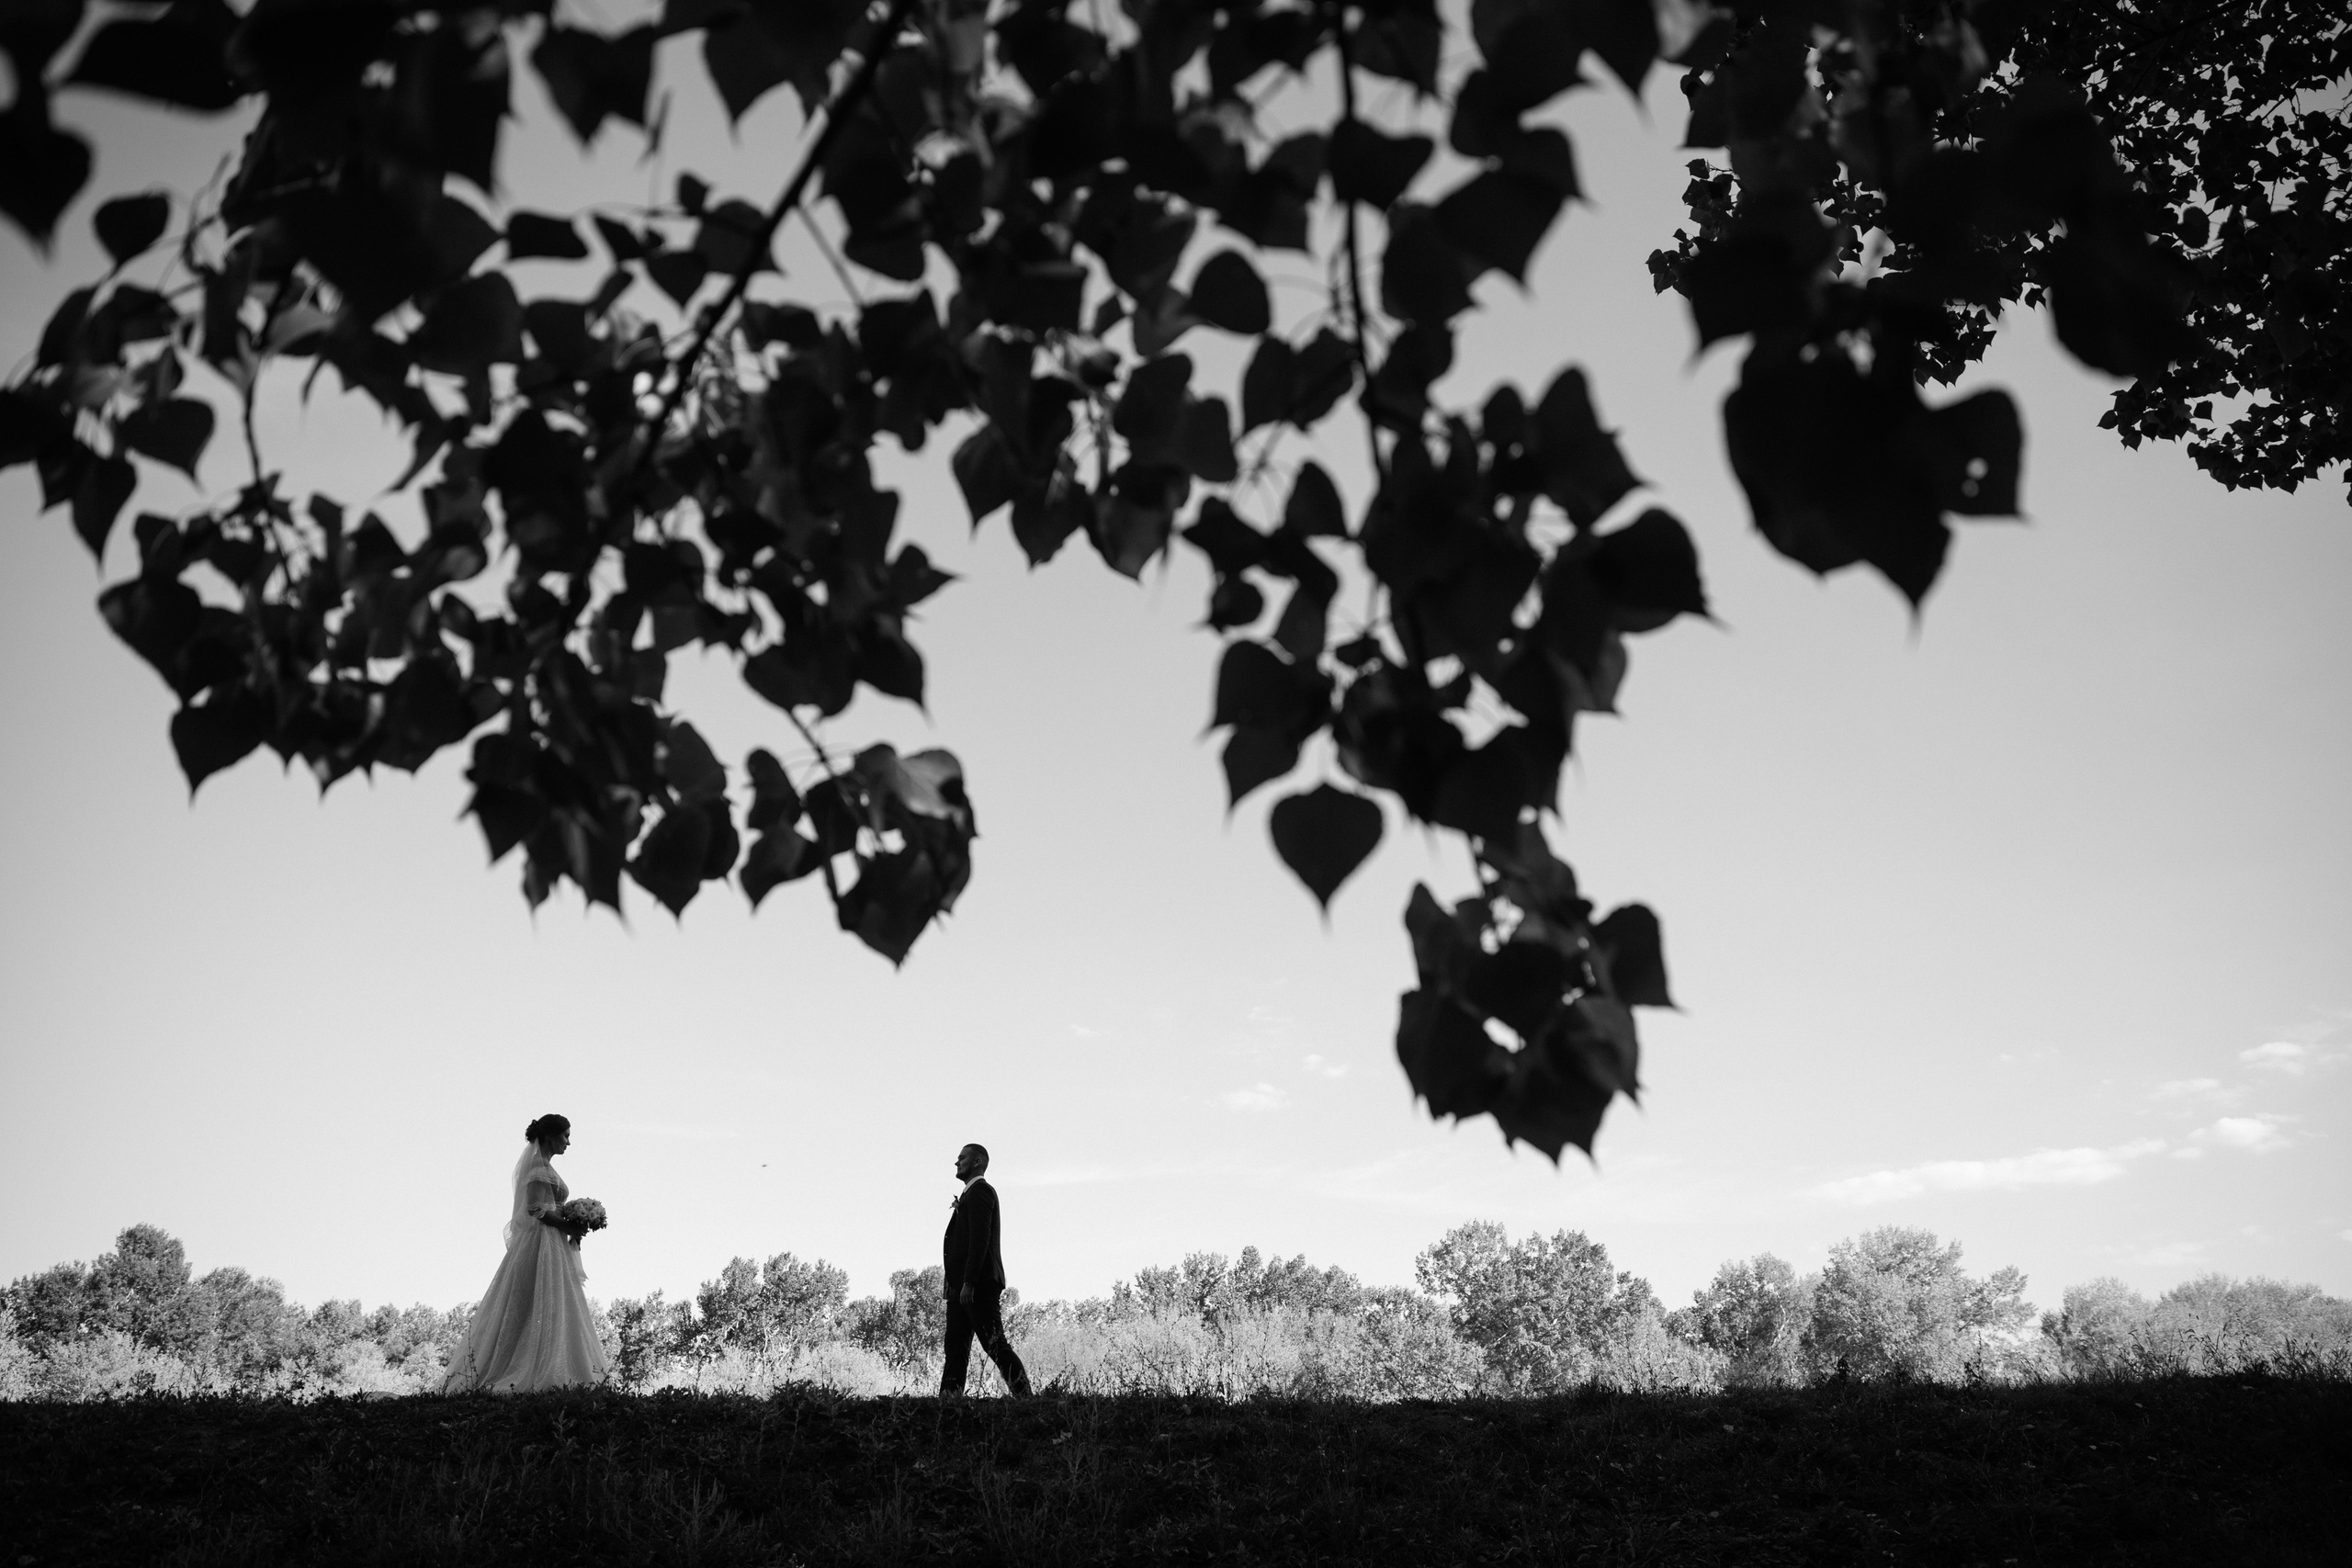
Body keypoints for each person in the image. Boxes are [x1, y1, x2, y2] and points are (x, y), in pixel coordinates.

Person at [442, 1113, 611, 1393]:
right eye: (565, 1135)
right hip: (541, 1242)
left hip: (552, 1242)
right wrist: (568, 1223)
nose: (569, 1142)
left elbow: (546, 1207)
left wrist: (572, 1223)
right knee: (534, 1300)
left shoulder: (545, 1168)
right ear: (549, 1136)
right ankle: (528, 1368)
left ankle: (558, 1364)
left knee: (553, 1301)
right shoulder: (538, 1169)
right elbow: (535, 1209)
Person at [940, 1142, 1032, 1397]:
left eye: (962, 1158)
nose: (957, 1162)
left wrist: (969, 1282)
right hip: (960, 1288)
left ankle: (1026, 1400)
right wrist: (954, 1283)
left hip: (978, 1285)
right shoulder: (971, 1195)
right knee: (955, 1348)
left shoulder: (981, 1192)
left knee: (995, 1344)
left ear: (977, 1162)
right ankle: (948, 1403)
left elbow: (980, 1240)